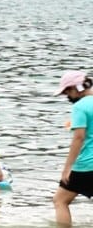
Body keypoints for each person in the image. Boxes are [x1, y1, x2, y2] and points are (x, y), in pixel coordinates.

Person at [53, 70, 93, 225]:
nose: (67, 96)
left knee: (60, 201)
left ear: (76, 88)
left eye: (67, 92)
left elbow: (79, 138)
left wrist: (67, 168)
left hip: (86, 165)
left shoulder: (80, 107)